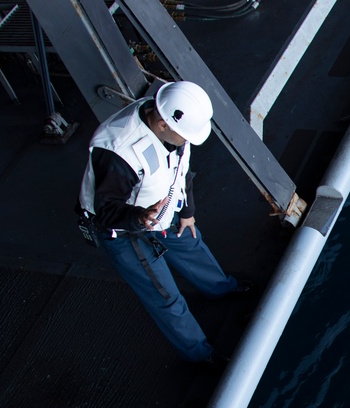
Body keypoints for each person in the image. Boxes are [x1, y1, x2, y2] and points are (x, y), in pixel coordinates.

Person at [77, 80, 244, 365]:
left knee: (190, 242)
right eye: (186, 134)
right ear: (164, 124)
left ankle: (221, 288)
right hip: (123, 230)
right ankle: (201, 356)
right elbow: (104, 211)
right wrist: (139, 218)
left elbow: (182, 171)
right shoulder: (119, 152)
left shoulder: (170, 126)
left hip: (161, 211)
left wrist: (187, 211)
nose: (189, 139)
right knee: (164, 295)